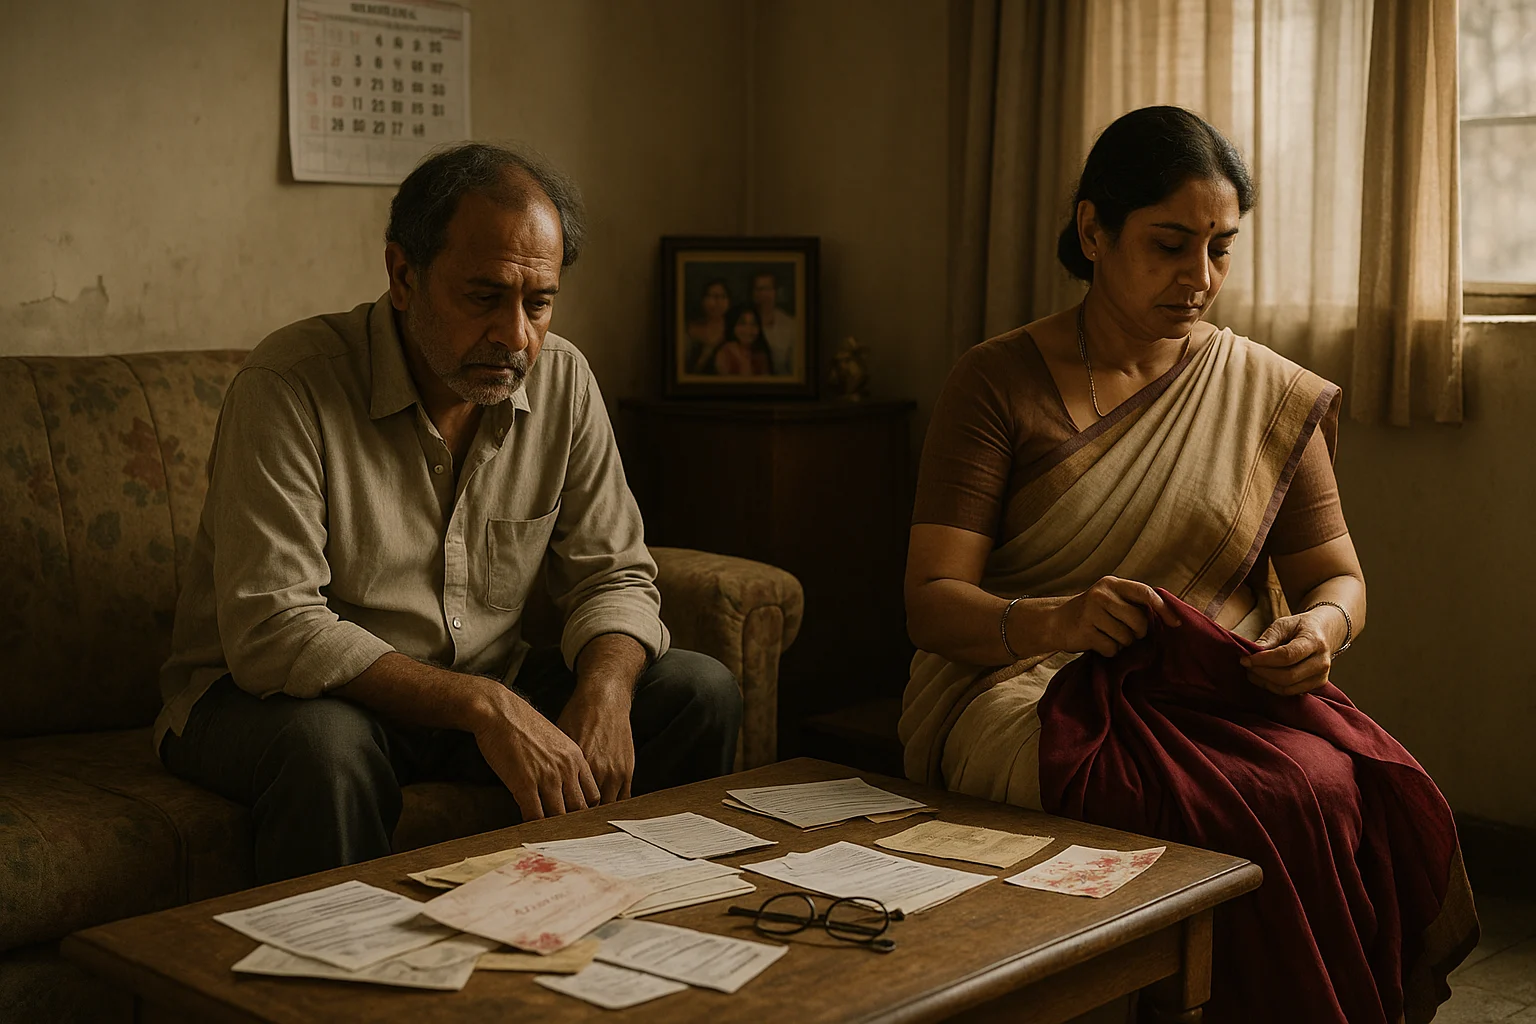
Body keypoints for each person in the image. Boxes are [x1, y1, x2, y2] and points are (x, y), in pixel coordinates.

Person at [900, 106, 1476, 1023]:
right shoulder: (997, 380)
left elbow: (1340, 577)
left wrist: (1319, 630)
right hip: (1025, 682)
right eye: (1171, 245)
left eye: (1222, 249)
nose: (1200, 279)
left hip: (1214, 680)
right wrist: (1055, 619)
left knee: (1337, 784)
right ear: (1094, 229)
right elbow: (931, 606)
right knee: (1217, 796)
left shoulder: (1262, 391)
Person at [155, 142, 742, 884]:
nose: (517, 335)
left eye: (539, 302)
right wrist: (484, 706)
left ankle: (630, 936)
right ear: (403, 275)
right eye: (484, 296)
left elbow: (615, 574)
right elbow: (275, 629)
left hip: (475, 692)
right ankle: (345, 991)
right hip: (272, 702)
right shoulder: (290, 384)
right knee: (328, 751)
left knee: (697, 693)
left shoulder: (562, 380)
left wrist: (605, 688)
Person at [751, 269, 800, 376]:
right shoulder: (743, 322)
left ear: (775, 292)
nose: (763, 294)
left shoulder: (791, 325)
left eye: (767, 289)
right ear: (753, 293)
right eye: (759, 289)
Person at [683, 278, 731, 374]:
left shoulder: (735, 329)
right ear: (703, 300)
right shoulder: (690, 330)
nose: (718, 302)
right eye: (712, 296)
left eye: (723, 296)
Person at [712, 305, 772, 376]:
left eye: (753, 324)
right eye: (742, 323)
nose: (748, 329)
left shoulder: (761, 355)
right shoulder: (724, 353)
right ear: (733, 326)